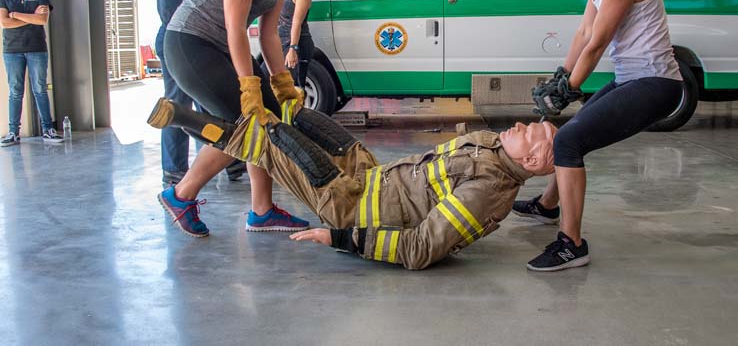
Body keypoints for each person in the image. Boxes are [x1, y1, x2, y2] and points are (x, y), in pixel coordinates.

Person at [147, 97, 557, 269]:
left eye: (530, 132)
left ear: (534, 159)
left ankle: (184, 120)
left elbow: (420, 250)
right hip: (372, 176)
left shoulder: (488, 192)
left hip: (351, 206)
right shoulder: (492, 145)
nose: (520, 125)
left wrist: (341, 238)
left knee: (271, 141)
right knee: (297, 117)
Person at [515, 0, 683, 272]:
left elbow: (600, 40)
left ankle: (572, 244)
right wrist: (561, 76)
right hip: (632, 78)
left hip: (657, 83)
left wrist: (570, 88)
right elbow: (583, 32)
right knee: (572, 133)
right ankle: (548, 205)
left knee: (569, 141)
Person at [160, 0, 310, 236]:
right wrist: (248, 86)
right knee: (247, 123)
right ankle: (181, 194)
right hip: (190, 44)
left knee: (269, 117)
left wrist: (282, 84)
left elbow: (270, 34)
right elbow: (234, 26)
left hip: (222, 46)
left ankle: (262, 210)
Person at [153, 0, 226, 185]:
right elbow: (169, 8)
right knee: (176, 105)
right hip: (176, 38)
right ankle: (174, 170)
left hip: (195, 38)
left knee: (207, 100)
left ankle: (223, 160)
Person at [0, 0, 63, 146]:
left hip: (37, 49)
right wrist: (30, 16)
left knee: (40, 89)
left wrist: (16, 14)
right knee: (16, 91)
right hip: (12, 51)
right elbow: (4, 22)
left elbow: (42, 20)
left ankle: (48, 129)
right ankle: (13, 132)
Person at [278, 0, 314, 89]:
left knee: (293, 88)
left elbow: (296, 22)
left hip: (296, 44)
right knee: (267, 80)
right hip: (280, 43)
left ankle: (296, 111)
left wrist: (293, 48)